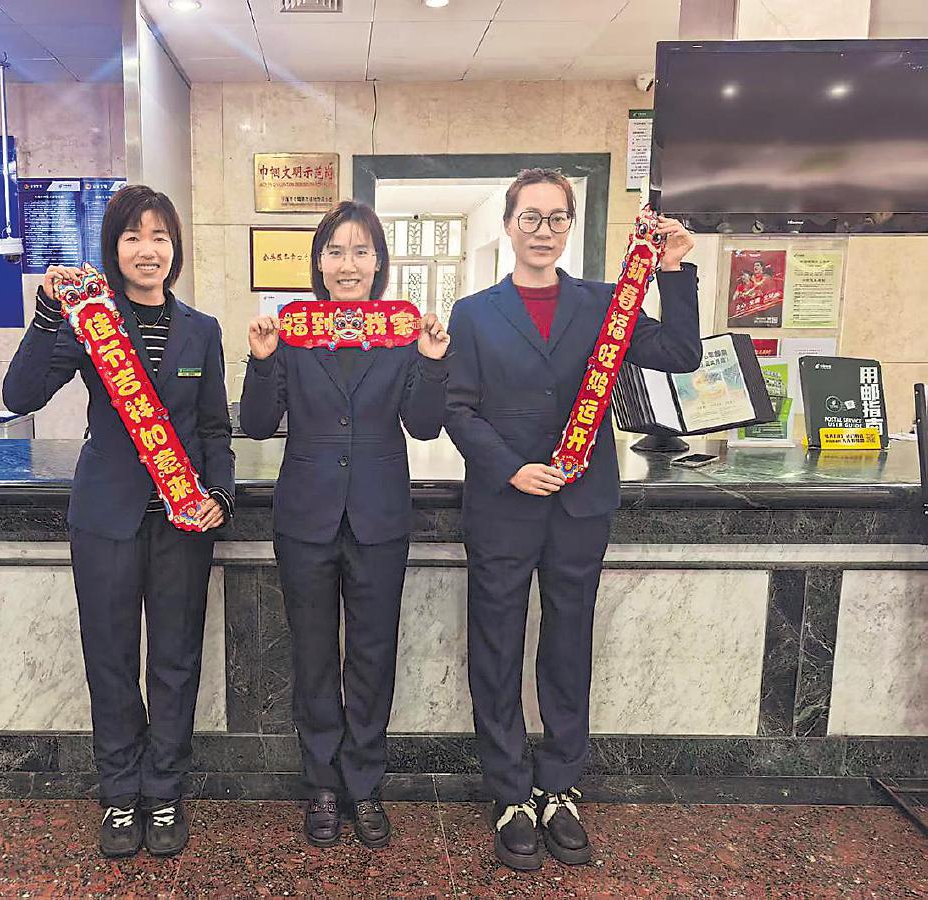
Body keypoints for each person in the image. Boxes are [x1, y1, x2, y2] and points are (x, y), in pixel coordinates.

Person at [445, 169, 700, 871]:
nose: (543, 231)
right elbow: (457, 409)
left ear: (570, 227)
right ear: (508, 225)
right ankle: (509, 794)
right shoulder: (474, 313)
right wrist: (510, 467)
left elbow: (681, 355)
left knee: (568, 645)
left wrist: (675, 271)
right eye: (530, 218)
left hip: (581, 506)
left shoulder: (604, 304)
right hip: (504, 505)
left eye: (557, 218)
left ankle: (558, 786)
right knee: (496, 648)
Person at [2, 185, 235, 860]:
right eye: (133, 237)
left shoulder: (201, 330)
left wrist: (220, 493)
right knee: (110, 660)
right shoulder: (91, 322)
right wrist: (49, 313)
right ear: (114, 247)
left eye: (160, 236)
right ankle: (120, 793)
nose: (147, 250)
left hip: (182, 523)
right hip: (106, 518)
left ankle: (164, 791)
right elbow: (20, 395)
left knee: (175, 662)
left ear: (175, 248)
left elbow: (214, 428)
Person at [239, 200, 450, 849]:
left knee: (372, 655)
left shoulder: (403, 335)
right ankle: (322, 785)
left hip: (379, 516)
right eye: (336, 251)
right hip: (306, 516)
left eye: (361, 251)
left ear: (379, 263)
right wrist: (262, 359)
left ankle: (365, 783)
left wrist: (432, 361)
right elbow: (256, 425)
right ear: (319, 263)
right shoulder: (292, 333)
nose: (348, 264)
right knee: (311, 656)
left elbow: (424, 426)